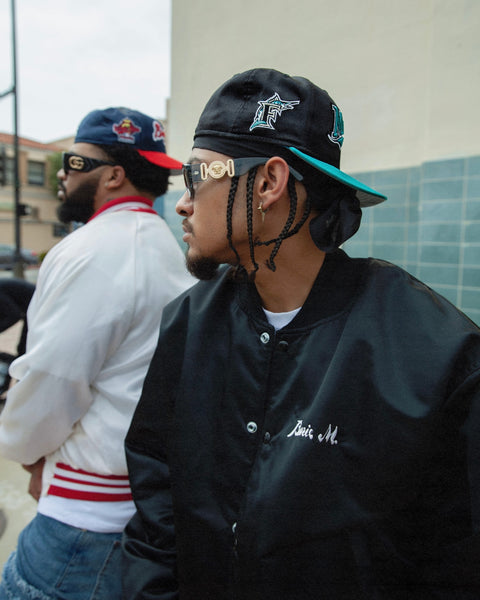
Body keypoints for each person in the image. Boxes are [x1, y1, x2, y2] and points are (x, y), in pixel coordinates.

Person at [122, 69, 480, 599]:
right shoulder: (189, 324)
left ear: (269, 182)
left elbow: (456, 559)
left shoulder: (432, 354)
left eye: (196, 176)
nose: (182, 202)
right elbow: (156, 510)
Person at [0, 107, 194, 599]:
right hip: (137, 512)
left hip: (82, 525)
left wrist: (24, 452)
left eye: (74, 162)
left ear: (113, 175)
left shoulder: (93, 249)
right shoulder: (167, 249)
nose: (62, 174)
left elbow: (52, 379)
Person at [0, 278, 35, 396]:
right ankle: (15, 390)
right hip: (29, 309)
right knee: (22, 350)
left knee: (24, 351)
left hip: (37, 307)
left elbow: (13, 315)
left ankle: (21, 392)